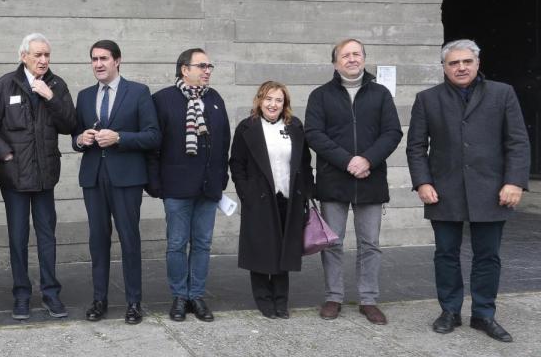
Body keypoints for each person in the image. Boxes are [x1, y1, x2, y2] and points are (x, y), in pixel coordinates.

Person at [407, 38, 530, 342]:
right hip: (443, 190)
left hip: (493, 190)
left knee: (487, 256)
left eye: (467, 61)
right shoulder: (427, 99)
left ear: (477, 63)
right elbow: (416, 147)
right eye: (454, 63)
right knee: (445, 254)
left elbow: (517, 142)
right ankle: (449, 311)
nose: (460, 67)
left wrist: (514, 182)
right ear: (444, 67)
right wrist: (423, 182)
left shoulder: (502, 93)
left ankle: (484, 314)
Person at [304, 38, 403, 324]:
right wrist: (348, 161)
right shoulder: (320, 95)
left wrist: (367, 160)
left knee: (370, 243)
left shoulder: (381, 94)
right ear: (335, 63)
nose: (351, 59)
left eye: (356, 54)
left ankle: (368, 300)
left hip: (371, 179)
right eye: (345, 55)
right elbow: (314, 134)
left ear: (364, 58)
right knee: (332, 243)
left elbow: (392, 132)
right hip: (334, 180)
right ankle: (333, 297)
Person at [0, 33, 77, 320]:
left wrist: (51, 98)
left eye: (47, 55)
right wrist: (4, 154)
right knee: (18, 238)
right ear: (23, 56)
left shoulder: (56, 85)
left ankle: (51, 293)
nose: (43, 60)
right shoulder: (5, 85)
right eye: (38, 55)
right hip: (15, 177)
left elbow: (70, 124)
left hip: (46, 176)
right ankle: (21, 294)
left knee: (47, 237)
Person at [72, 40, 160, 324]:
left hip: (126, 179)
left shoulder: (138, 92)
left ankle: (133, 302)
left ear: (117, 61)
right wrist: (81, 139)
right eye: (94, 59)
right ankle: (99, 300)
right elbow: (75, 136)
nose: (98, 64)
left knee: (129, 239)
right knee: (97, 241)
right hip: (94, 178)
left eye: (104, 58)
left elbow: (153, 136)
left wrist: (119, 137)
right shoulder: (84, 96)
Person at [149, 48, 230, 322]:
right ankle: (179, 297)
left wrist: (222, 178)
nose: (207, 70)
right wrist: (155, 184)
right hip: (176, 187)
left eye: (209, 66)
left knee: (203, 244)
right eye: (202, 66)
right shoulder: (163, 100)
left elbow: (224, 141)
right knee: (176, 243)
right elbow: (153, 146)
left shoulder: (214, 99)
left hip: (208, 187)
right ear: (185, 69)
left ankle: (196, 295)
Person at [229, 81, 314, 319]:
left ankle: (281, 300)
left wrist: (307, 193)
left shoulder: (294, 126)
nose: (273, 104)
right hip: (259, 199)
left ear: (285, 103)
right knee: (260, 250)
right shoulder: (247, 127)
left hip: (288, 198)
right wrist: (246, 193)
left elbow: (305, 162)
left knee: (284, 251)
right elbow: (236, 164)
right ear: (260, 100)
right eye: (268, 99)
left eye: (278, 100)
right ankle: (264, 299)